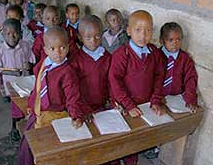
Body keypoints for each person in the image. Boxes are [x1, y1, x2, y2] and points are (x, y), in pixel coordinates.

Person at [18, 26, 84, 165]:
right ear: (45, 49)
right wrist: (31, 105)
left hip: (56, 116)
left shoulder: (67, 72)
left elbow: (73, 97)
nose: (58, 53)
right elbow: (37, 88)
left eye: (62, 48)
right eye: (52, 49)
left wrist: (76, 115)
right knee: (28, 145)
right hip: (39, 113)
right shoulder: (44, 64)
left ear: (68, 48)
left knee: (48, 151)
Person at [109, 10, 165, 165]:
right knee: (123, 138)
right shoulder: (122, 54)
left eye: (148, 30)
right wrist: (129, 105)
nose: (143, 35)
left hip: (145, 105)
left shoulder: (154, 52)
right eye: (138, 30)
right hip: (125, 105)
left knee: (138, 138)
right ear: (128, 31)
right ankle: (117, 158)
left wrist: (155, 100)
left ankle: (132, 159)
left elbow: (159, 76)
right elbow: (115, 81)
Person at [0, 18, 35, 142]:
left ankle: (27, 125)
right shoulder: (0, 50)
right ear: (3, 35)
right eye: (8, 34)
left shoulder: (25, 45)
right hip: (10, 84)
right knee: (16, 106)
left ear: (20, 33)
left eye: (15, 33)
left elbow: (31, 60)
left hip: (25, 82)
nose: (12, 36)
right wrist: (11, 71)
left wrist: (29, 66)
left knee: (27, 104)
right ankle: (14, 128)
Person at [70, 15, 111, 115]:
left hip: (104, 107)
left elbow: (112, 82)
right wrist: (82, 108)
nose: (93, 40)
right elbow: (72, 89)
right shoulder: (75, 60)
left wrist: (113, 101)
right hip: (83, 108)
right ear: (80, 37)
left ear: (102, 35)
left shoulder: (108, 57)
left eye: (97, 36)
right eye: (88, 37)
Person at [159, 22, 198, 112]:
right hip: (157, 97)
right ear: (162, 41)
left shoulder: (185, 59)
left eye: (178, 40)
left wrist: (191, 99)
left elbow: (190, 80)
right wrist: (156, 97)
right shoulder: (156, 56)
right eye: (171, 40)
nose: (175, 43)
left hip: (177, 98)